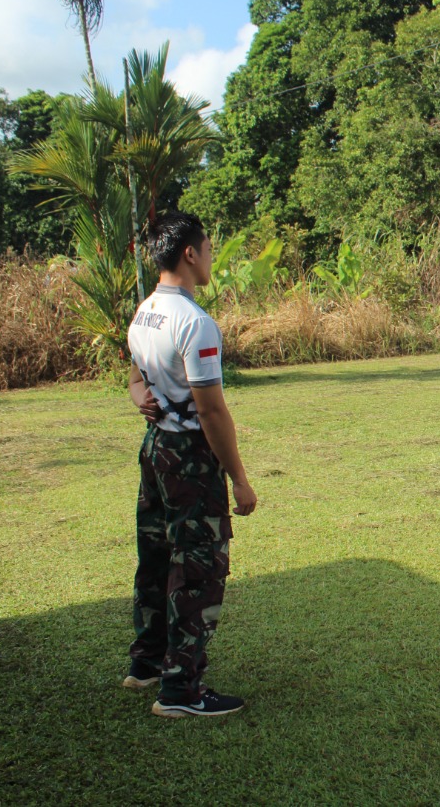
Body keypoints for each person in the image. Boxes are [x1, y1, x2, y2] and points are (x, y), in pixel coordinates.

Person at [125, 211, 257, 718]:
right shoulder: (195, 322)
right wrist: (239, 480)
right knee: (199, 568)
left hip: (154, 449)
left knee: (156, 556)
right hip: (187, 458)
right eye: (207, 247)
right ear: (189, 253)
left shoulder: (146, 311)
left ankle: (147, 663)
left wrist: (141, 395)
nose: (210, 256)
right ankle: (181, 690)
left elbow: (136, 379)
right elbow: (210, 408)